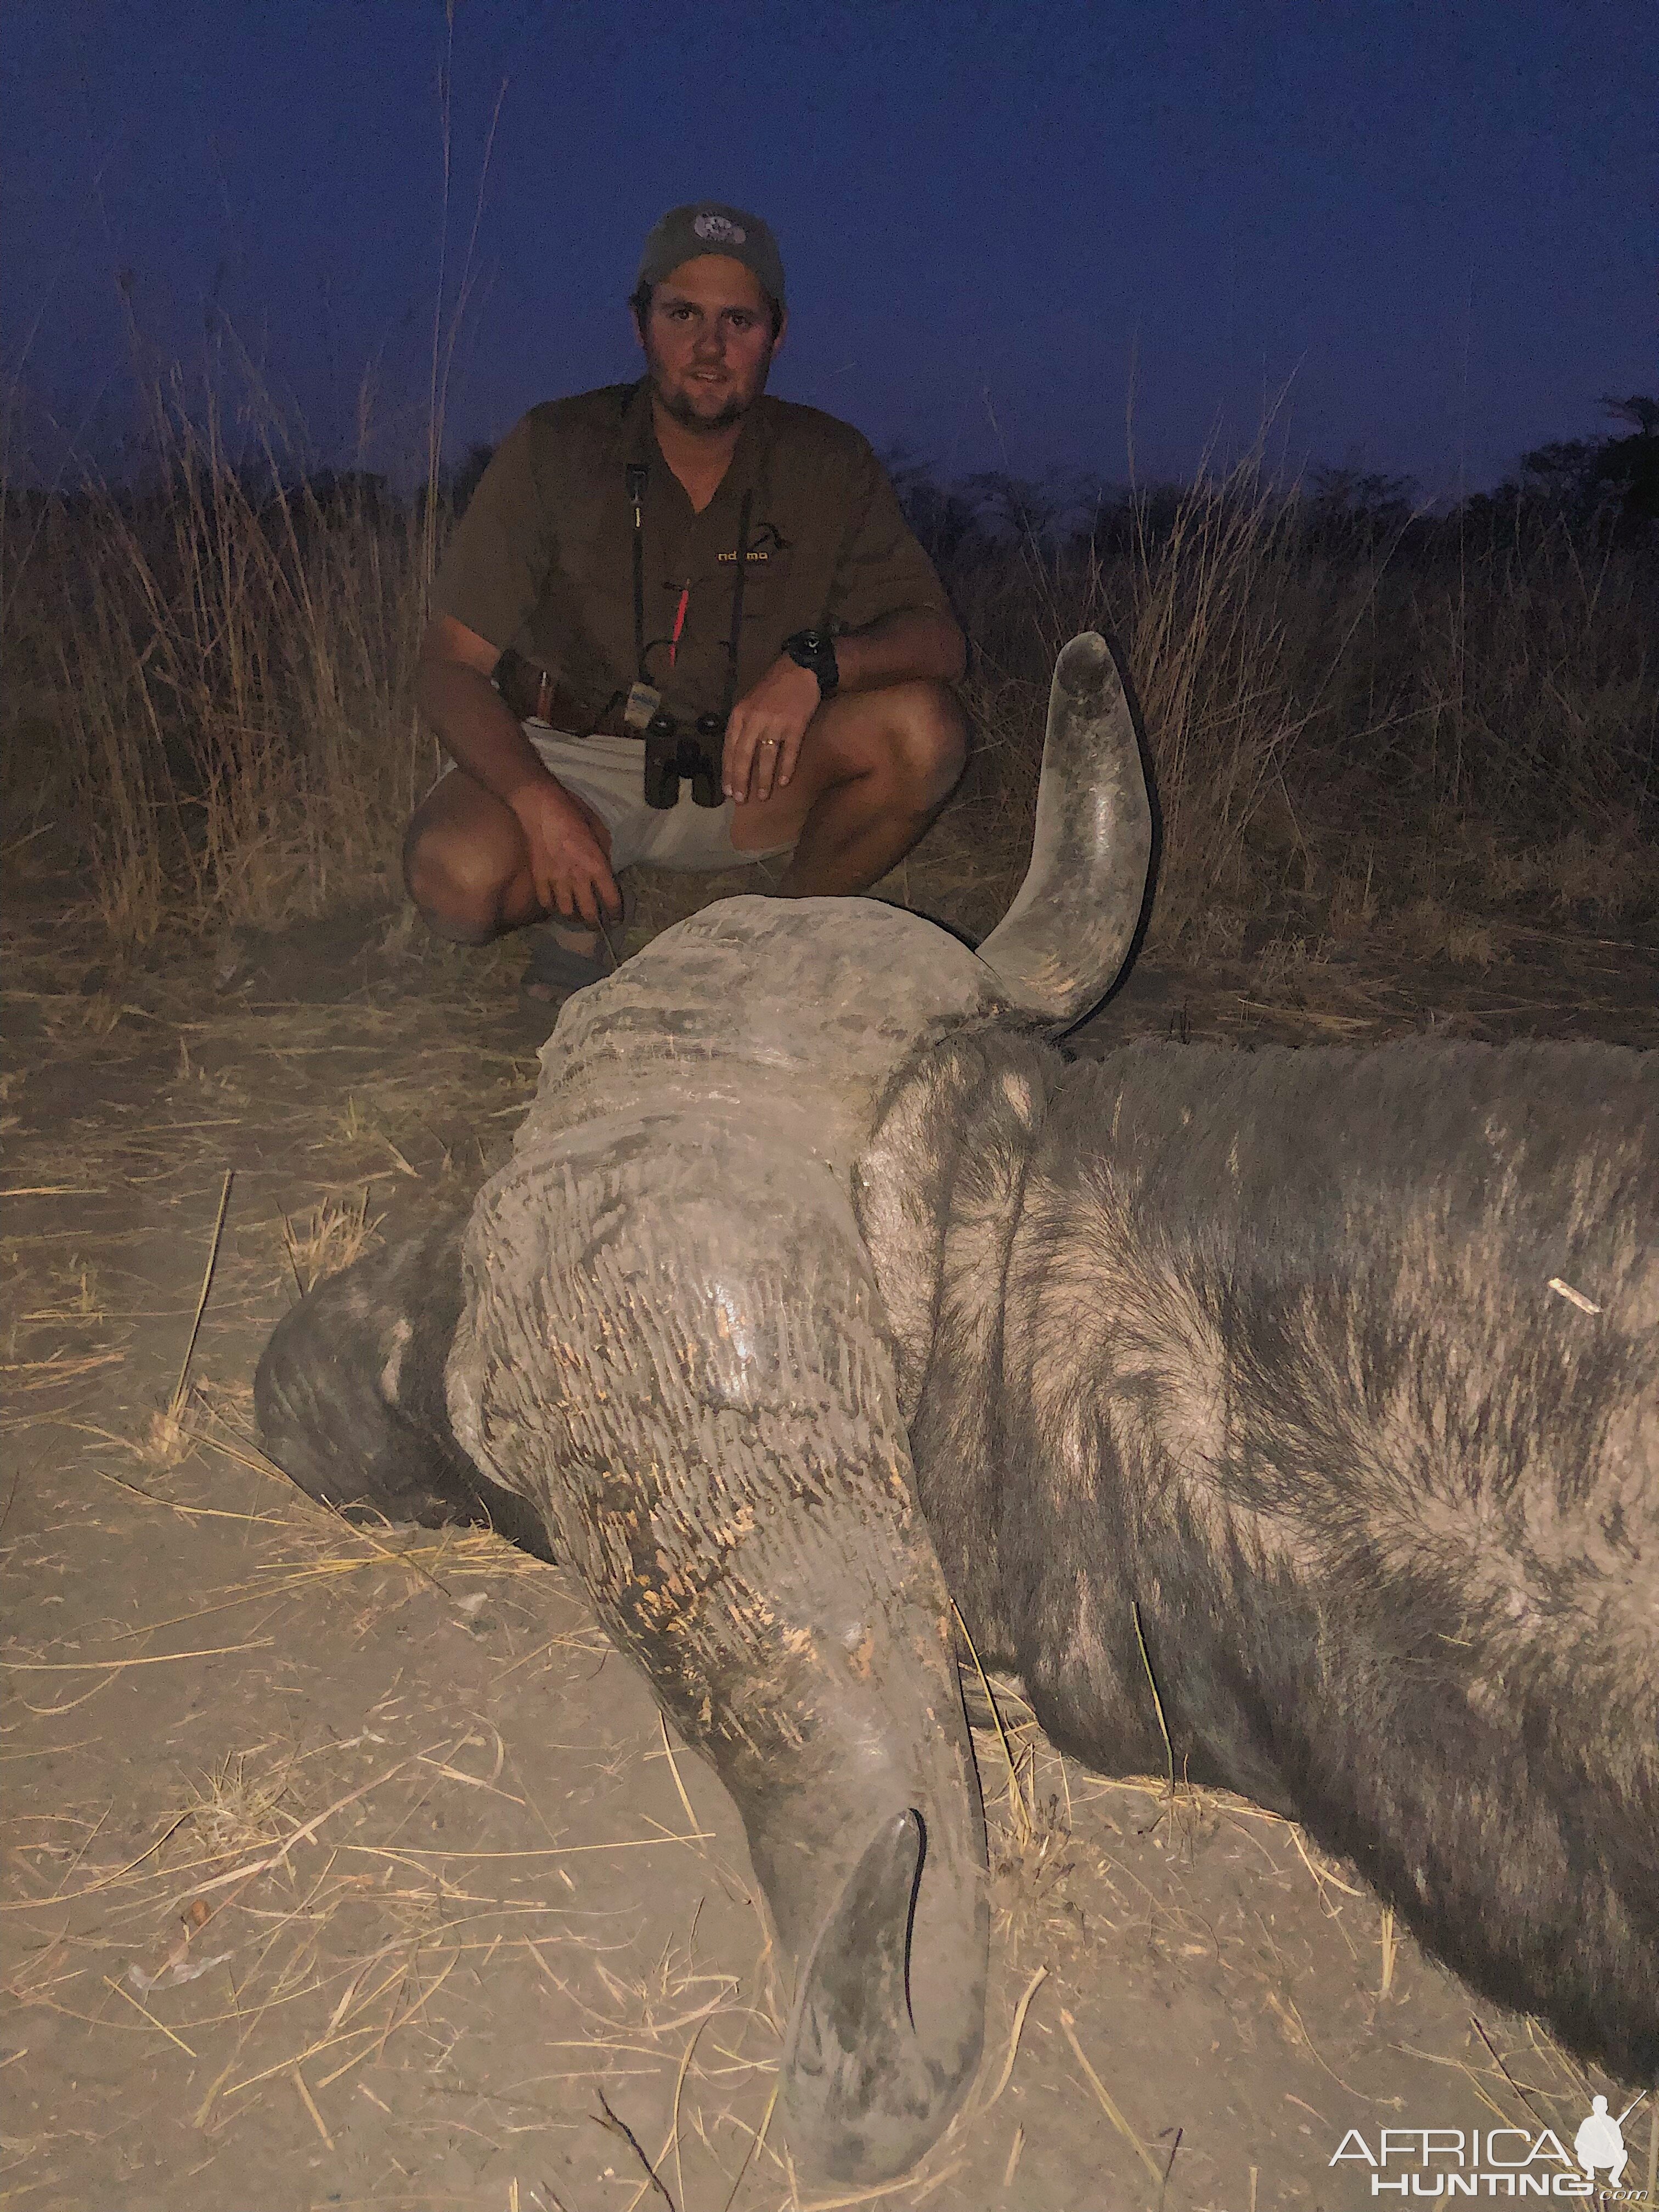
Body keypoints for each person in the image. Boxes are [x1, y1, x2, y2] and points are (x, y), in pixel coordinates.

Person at [404, 201, 968, 1014]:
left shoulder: (829, 461)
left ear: (777, 334)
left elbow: (940, 640)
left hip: (746, 765)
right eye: (683, 314)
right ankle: (578, 920)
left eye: (738, 319)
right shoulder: (555, 446)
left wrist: (815, 663)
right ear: (641, 327)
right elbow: (449, 667)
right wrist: (541, 805)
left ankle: (775, 948)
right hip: (574, 757)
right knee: (455, 881)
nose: (710, 347)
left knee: (925, 732)